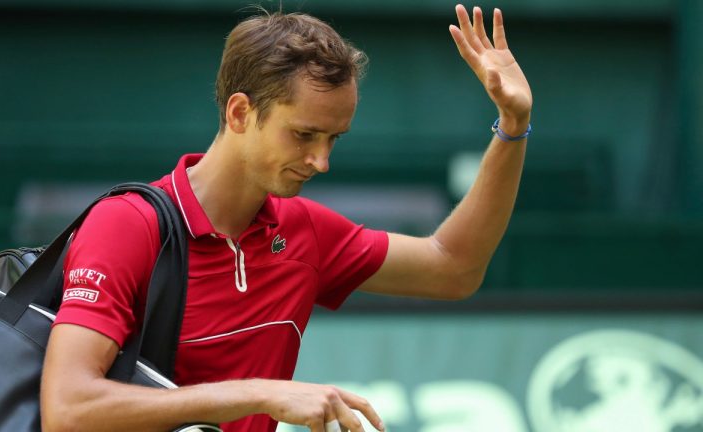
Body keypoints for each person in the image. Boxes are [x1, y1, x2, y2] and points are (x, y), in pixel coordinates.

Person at [40, 4, 532, 432]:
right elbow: (68, 409)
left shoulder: (304, 232)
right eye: (303, 135)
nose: (322, 161)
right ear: (239, 114)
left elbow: (453, 267)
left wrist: (513, 128)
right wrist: (259, 393)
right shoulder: (126, 225)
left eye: (333, 139)